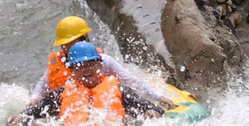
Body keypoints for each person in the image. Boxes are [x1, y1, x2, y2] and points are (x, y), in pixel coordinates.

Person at [9, 42, 165, 126]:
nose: (86, 69)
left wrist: (152, 111)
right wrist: (21, 116)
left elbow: (143, 105)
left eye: (91, 64)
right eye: (80, 66)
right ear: (72, 70)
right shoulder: (60, 94)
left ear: (100, 64)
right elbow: (37, 110)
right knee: (38, 124)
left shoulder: (118, 89)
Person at [27, 15, 175, 108]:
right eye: (66, 44)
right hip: (70, 106)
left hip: (100, 106)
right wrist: (33, 102)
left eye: (73, 42)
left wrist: (158, 97)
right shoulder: (57, 73)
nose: (71, 47)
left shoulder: (102, 62)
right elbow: (42, 87)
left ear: (85, 39)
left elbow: (132, 81)